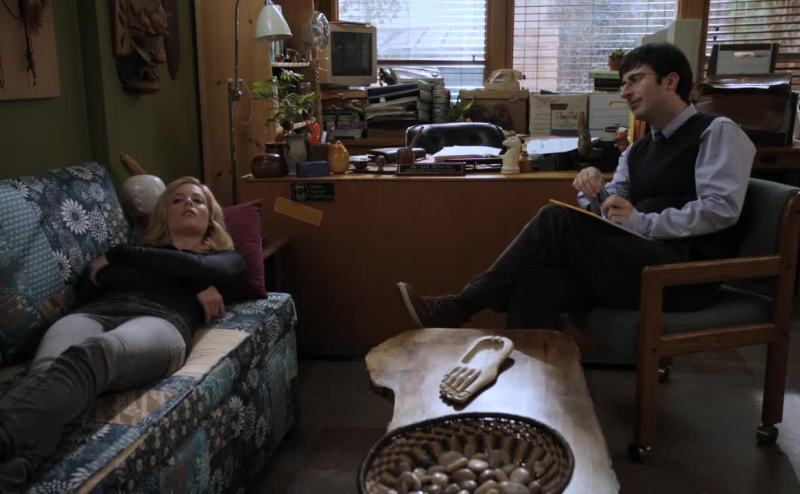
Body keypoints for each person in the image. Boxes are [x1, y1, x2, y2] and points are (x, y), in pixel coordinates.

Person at [397, 42, 755, 330]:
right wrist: (596, 192)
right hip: (640, 263)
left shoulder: (716, 131)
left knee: (556, 218)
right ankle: (534, 394)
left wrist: (643, 223)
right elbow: (617, 210)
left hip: (684, 276)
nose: (626, 91)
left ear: (670, 81)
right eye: (623, 83)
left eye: (635, 79)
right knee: (534, 285)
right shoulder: (638, 149)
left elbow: (720, 209)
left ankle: (462, 305)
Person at [0, 177, 246, 489]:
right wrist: (190, 279)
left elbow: (217, 271)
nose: (188, 203)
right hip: (93, 313)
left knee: (94, 353)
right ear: (164, 213)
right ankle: (13, 473)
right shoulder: (147, 252)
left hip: (160, 322)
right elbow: (93, 281)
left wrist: (122, 255)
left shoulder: (222, 258)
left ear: (210, 218)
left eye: (198, 201)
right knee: (46, 375)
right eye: (178, 199)